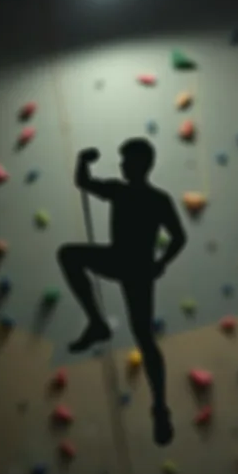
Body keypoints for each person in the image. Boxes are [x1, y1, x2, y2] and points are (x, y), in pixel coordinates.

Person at [56, 138, 186, 446]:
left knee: (143, 337)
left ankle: (160, 407)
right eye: (122, 161)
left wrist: (161, 263)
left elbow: (179, 237)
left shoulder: (157, 199)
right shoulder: (120, 190)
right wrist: (82, 160)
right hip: (123, 261)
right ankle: (97, 323)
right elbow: (83, 182)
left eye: (127, 161)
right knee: (69, 255)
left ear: (142, 164)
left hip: (138, 268)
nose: (122, 165)